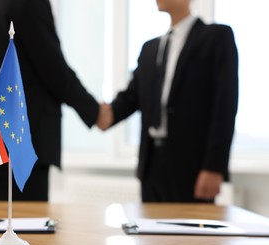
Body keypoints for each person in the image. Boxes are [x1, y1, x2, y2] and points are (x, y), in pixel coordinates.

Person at [0, 0, 108, 201]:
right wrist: (94, 112)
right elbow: (53, 68)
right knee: (25, 228)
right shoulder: (29, 2)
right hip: (21, 143)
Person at [98, 0, 238, 202]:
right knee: (148, 230)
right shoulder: (149, 49)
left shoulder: (216, 37)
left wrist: (214, 167)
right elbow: (130, 98)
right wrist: (95, 112)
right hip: (152, 166)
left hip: (192, 166)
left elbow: (225, 105)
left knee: (188, 231)